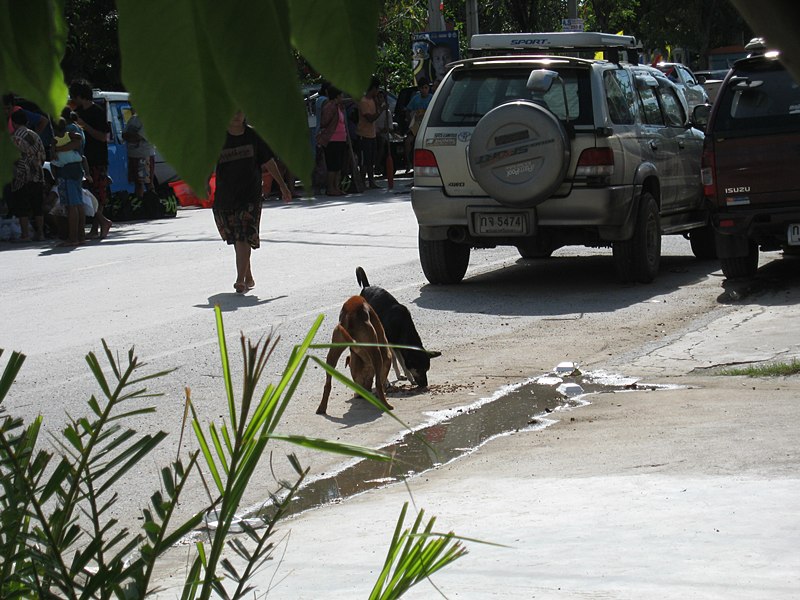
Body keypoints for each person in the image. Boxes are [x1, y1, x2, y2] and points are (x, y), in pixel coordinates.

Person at [213, 110, 292, 294]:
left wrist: (282, 185)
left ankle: (240, 280)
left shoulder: (254, 136)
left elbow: (269, 162)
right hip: (225, 196)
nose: (236, 114)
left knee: (243, 234)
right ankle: (247, 275)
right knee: (235, 236)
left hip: (250, 196)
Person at [69, 78, 113, 239]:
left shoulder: (98, 111)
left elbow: (104, 137)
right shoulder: (77, 111)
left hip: (98, 158)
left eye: (74, 96)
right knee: (87, 194)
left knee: (98, 194)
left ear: (80, 95)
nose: (72, 99)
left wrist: (85, 126)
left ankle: (98, 226)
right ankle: (99, 224)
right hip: (82, 158)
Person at [51, 110, 90, 246]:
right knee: (78, 204)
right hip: (77, 170)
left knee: (72, 205)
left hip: (67, 172)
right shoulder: (76, 129)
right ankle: (80, 236)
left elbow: (75, 144)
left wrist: (57, 149)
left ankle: (73, 238)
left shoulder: (67, 132)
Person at [9, 110, 46, 241]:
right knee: (38, 206)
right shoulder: (35, 135)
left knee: (22, 207)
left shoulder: (14, 138)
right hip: (38, 175)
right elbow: (43, 155)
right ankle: (40, 233)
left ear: (13, 123)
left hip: (21, 176)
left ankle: (25, 235)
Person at [316, 86, 348, 196]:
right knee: (332, 165)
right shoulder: (330, 106)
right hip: (332, 139)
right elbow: (324, 121)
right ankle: (330, 188)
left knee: (338, 165)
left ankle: (336, 187)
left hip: (341, 138)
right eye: (341, 95)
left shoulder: (340, 106)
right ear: (337, 96)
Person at [356, 76, 385, 189]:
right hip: (363, 134)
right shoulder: (363, 101)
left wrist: (378, 103)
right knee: (364, 160)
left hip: (372, 134)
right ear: (373, 88)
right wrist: (381, 110)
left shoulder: (373, 100)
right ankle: (363, 182)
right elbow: (370, 118)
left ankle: (372, 181)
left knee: (371, 160)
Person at [122, 106, 156, 199]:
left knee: (147, 182)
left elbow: (138, 137)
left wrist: (130, 137)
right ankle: (139, 203)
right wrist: (131, 136)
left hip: (144, 156)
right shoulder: (133, 119)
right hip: (133, 156)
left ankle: (152, 203)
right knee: (137, 182)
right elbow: (123, 135)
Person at [404, 79, 432, 173]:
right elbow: (408, 110)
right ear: (419, 89)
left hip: (428, 124)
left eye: (426, 88)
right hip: (416, 123)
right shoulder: (415, 98)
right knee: (408, 141)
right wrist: (409, 120)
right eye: (422, 88)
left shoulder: (432, 98)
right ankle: (409, 163)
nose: (424, 90)